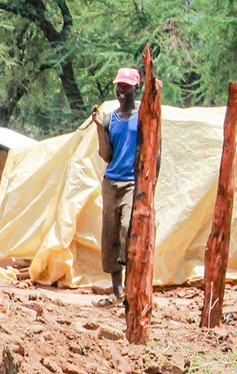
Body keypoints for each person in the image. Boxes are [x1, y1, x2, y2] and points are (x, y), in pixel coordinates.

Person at [95, 66, 144, 302]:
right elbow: (106, 155)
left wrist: (148, 186)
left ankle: (131, 286)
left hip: (133, 183)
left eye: (126, 86)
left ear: (137, 87)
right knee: (111, 235)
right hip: (111, 182)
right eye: (118, 86)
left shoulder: (144, 116)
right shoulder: (109, 119)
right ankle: (118, 292)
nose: (121, 90)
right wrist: (99, 128)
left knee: (128, 229)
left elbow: (155, 152)